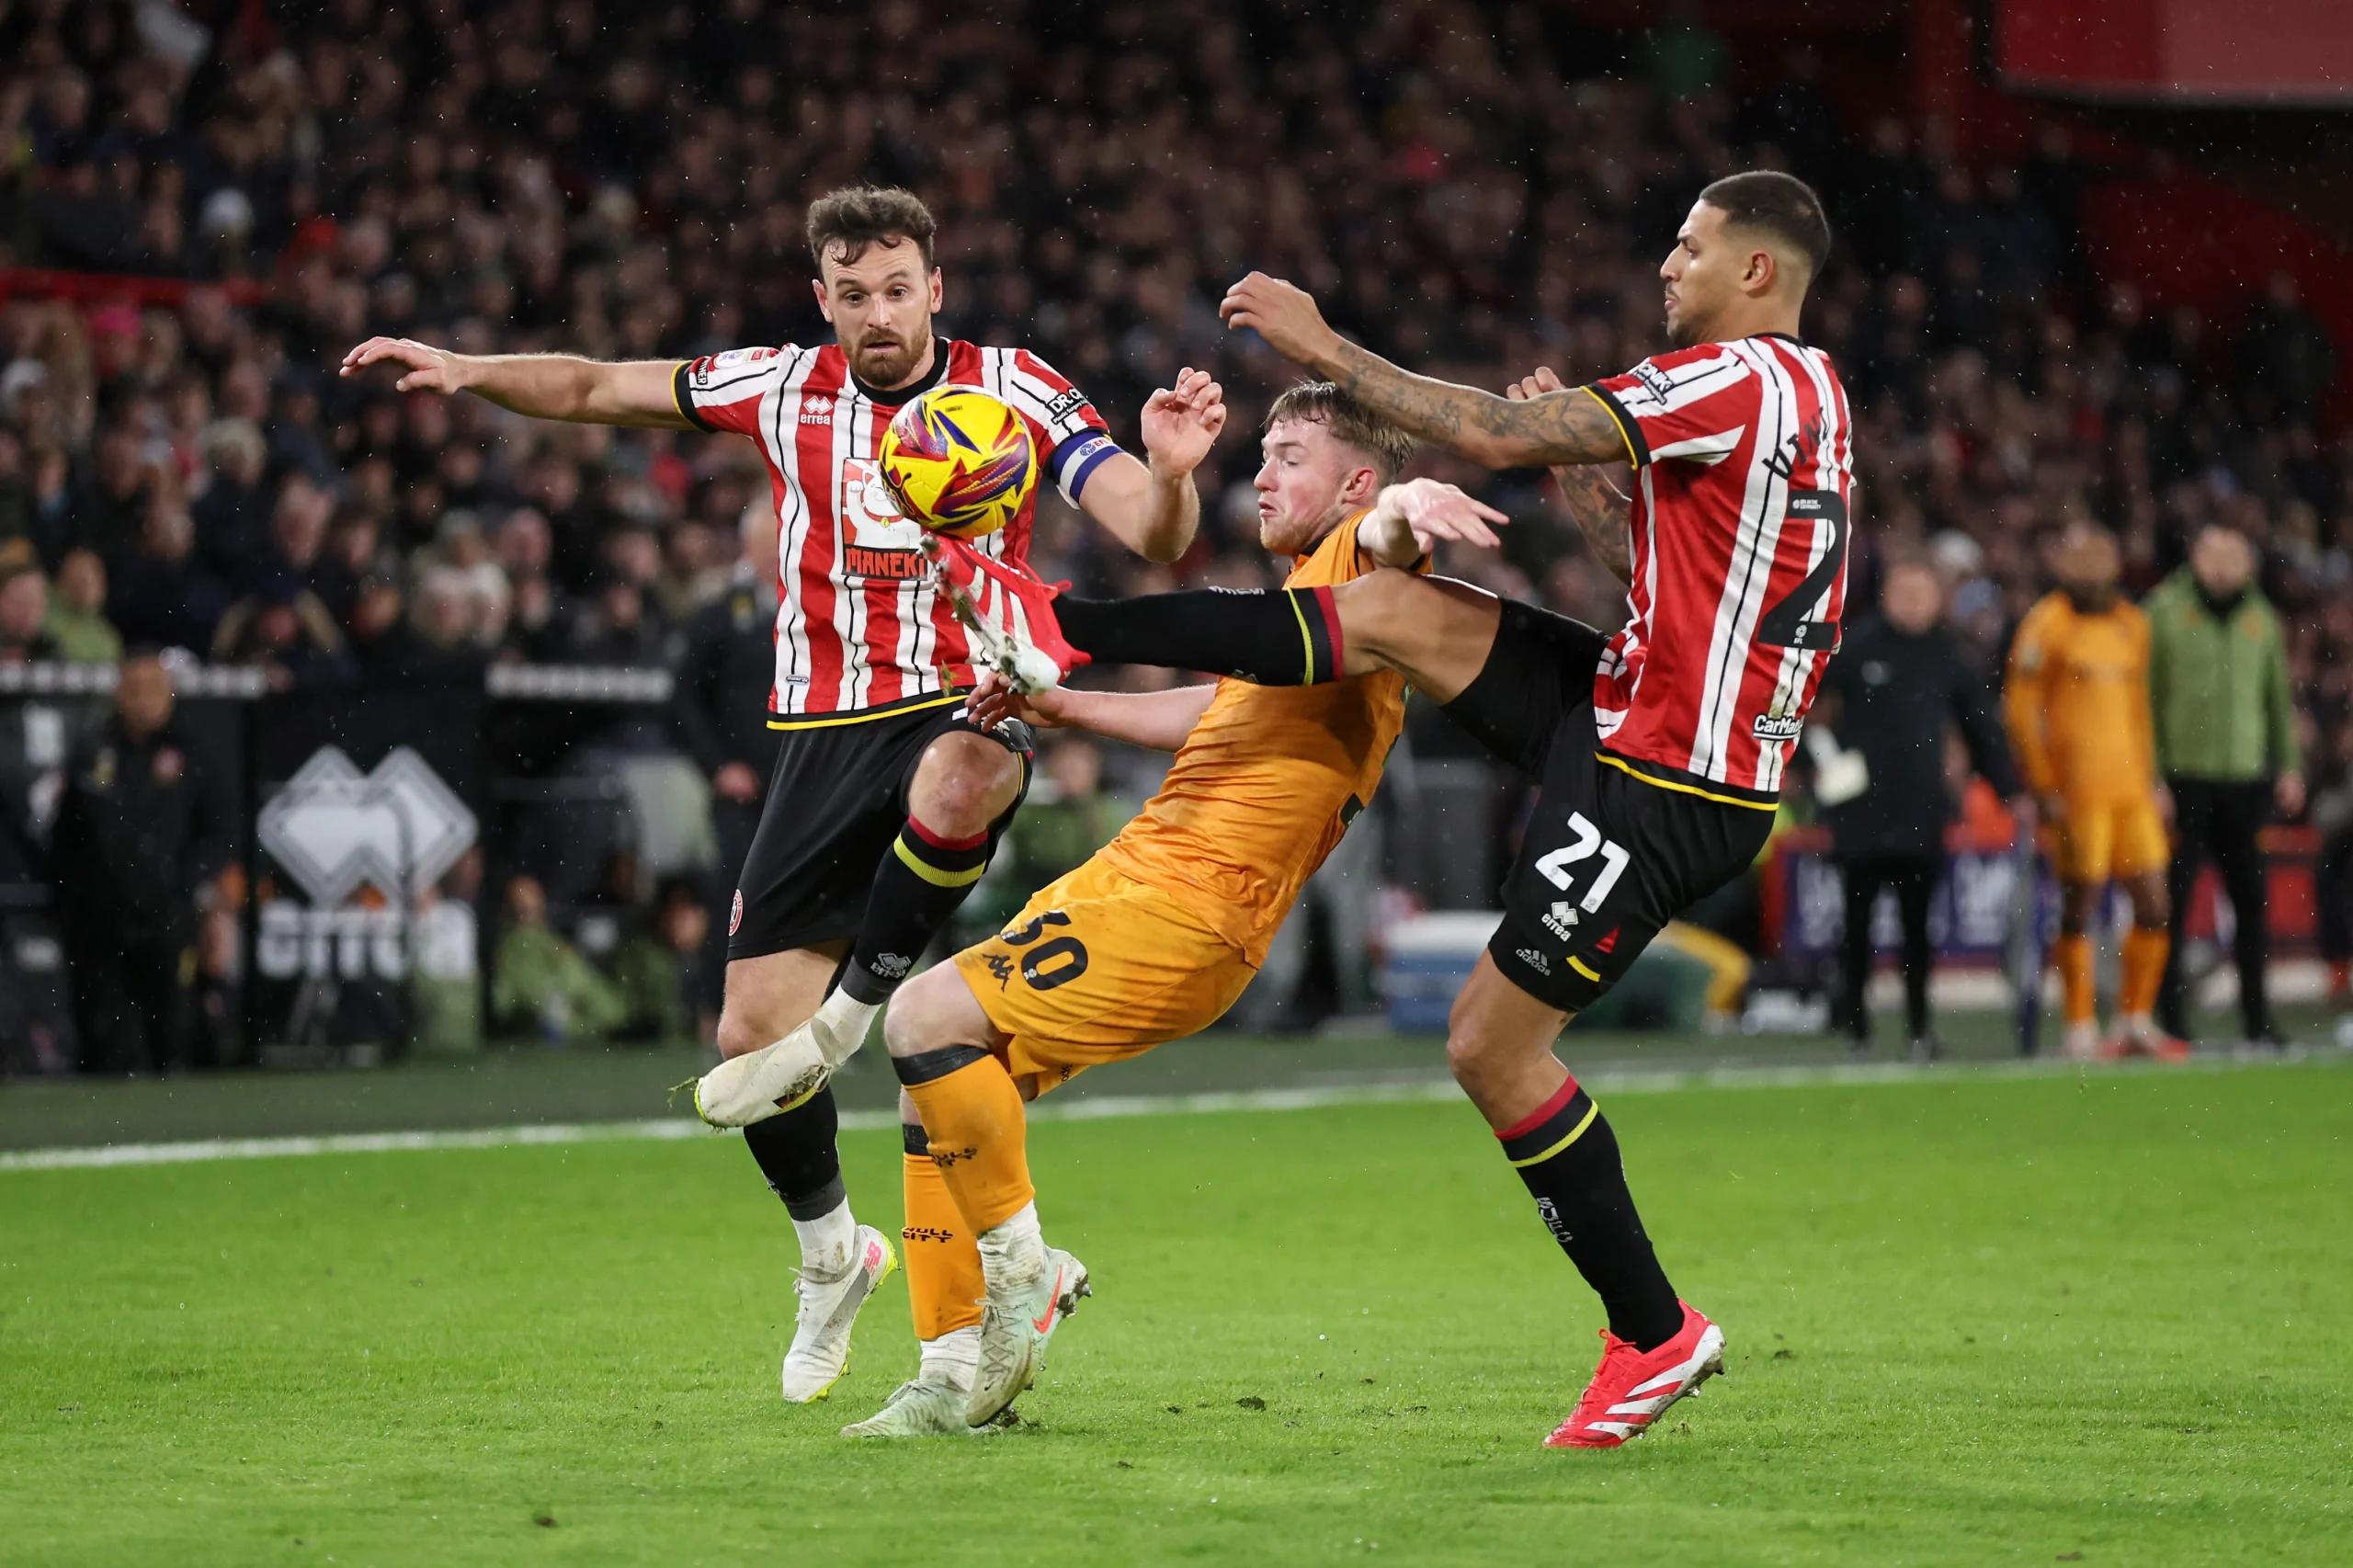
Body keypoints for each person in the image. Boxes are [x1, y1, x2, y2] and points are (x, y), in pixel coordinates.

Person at [923, 172, 1849, 1448]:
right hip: (1630, 704)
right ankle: (1063, 625)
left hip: (1670, 779)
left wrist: (1319, 344)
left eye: (1689, 249)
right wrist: (1589, 509)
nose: (1666, 269)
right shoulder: (1814, 404)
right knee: (1392, 619)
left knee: (1489, 1045)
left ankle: (1653, 1333)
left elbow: (1493, 434)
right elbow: (1684, 588)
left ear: (1758, 272)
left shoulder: (1740, 374)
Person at [342, 186, 1225, 1404]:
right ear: (823, 300)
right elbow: (602, 386)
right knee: (750, 1036)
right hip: (820, 727)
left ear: (934, 286)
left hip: (972, 693)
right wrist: (466, 366)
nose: (877, 313)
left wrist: (1173, 476)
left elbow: (1151, 526)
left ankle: (854, 1015)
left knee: (968, 761)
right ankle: (832, 1257)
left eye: (896, 289)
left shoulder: (1015, 384)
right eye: (852, 294)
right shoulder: (777, 385)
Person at [857, 385, 1478, 1435]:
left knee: (919, 1016)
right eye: (1265, 455)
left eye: (1288, 456)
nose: (1265, 475)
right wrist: (1057, 702)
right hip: (1137, 876)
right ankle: (950, 1371)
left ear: (1356, 483)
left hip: (1191, 903)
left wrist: (1411, 506)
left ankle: (1026, 1273)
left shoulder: (1361, 572)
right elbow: (1214, 709)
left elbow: (1393, 527)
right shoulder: (1302, 620)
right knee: (940, 1091)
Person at [1816, 557, 2022, 1060]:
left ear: (1938, 600)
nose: (1913, 603)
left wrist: (2011, 791)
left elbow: (1981, 729)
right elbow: (1803, 707)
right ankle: (1858, 1030)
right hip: (1860, 816)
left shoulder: (1947, 655)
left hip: (1920, 815)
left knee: (1917, 930)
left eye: (1922, 593)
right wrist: (1822, 764)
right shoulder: (1856, 644)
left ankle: (1918, 1029)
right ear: (1887, 596)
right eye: (1904, 592)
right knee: (1857, 927)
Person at [2004, 522, 2183, 1062]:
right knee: (2079, 905)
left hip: (2130, 791)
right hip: (2077, 794)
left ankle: (2134, 1019)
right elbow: (2019, 711)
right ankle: (2080, 1024)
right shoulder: (2046, 624)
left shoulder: (2132, 623)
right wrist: (2041, 783)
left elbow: (2138, 711)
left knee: (2155, 903)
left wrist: (2153, 779)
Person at [2143, 524, 2302, 1048]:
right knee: (2174, 902)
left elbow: (2277, 699)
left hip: (2243, 777)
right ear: (2194, 556)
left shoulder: (2261, 618)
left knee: (2251, 904)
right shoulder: (2164, 611)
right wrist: (2152, 775)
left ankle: (2258, 1020)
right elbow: (2145, 701)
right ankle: (2171, 1020)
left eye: (2233, 555)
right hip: (2183, 778)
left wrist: (2289, 765)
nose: (2223, 566)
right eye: (2214, 554)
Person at [47, 653, 232, 1074]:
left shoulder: (192, 753)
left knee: (170, 1026)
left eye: (153, 689)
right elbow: (67, 835)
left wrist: (189, 883)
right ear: (118, 694)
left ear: (169, 694)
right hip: (102, 919)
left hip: (168, 913)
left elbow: (219, 830)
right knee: (106, 1033)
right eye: (133, 689)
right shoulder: (95, 752)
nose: (143, 699)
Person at [671, 498, 786, 1039]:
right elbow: (684, 699)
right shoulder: (720, 616)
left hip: (799, 784)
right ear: (751, 545)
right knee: (735, 900)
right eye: (770, 540)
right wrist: (717, 766)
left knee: (811, 898)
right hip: (742, 790)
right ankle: (716, 1016)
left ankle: (805, 1021)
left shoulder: (815, 608)